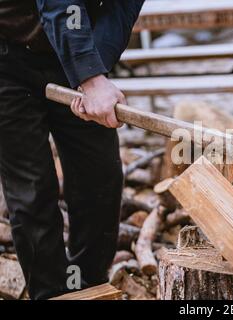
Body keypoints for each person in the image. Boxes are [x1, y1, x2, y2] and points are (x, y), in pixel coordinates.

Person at [0, 0, 145, 299]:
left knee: (100, 179)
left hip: (70, 53)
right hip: (7, 56)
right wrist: (89, 78)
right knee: (33, 189)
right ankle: (51, 293)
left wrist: (94, 70)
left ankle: (87, 286)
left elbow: (120, 9)